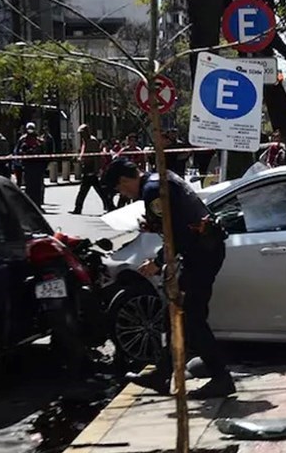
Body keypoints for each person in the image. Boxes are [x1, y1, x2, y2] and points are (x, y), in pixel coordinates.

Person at [103, 157, 236, 399]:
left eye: (121, 189)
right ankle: (162, 372)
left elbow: (178, 234)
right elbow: (177, 221)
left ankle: (220, 377)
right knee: (173, 313)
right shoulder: (161, 178)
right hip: (205, 249)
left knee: (191, 317)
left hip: (201, 254)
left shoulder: (152, 190)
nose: (124, 194)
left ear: (124, 181)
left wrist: (158, 262)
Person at [71, 124, 114, 214]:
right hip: (86, 168)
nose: (81, 135)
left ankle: (78, 208)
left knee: (87, 190)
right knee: (96, 190)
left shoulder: (92, 141)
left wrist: (96, 170)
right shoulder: (84, 141)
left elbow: (96, 157)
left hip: (91, 169)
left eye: (83, 133)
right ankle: (109, 205)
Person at [17, 122, 48, 208]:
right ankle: (29, 205)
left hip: (37, 167)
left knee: (37, 187)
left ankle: (37, 205)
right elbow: (18, 152)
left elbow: (45, 154)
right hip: (28, 166)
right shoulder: (22, 140)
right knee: (29, 187)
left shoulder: (39, 141)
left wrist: (44, 166)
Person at [113, 133, 145, 208]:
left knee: (136, 198)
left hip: (135, 177)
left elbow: (142, 163)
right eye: (131, 140)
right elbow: (118, 160)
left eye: (134, 141)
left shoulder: (138, 151)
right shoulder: (124, 150)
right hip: (125, 176)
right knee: (123, 196)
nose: (132, 143)